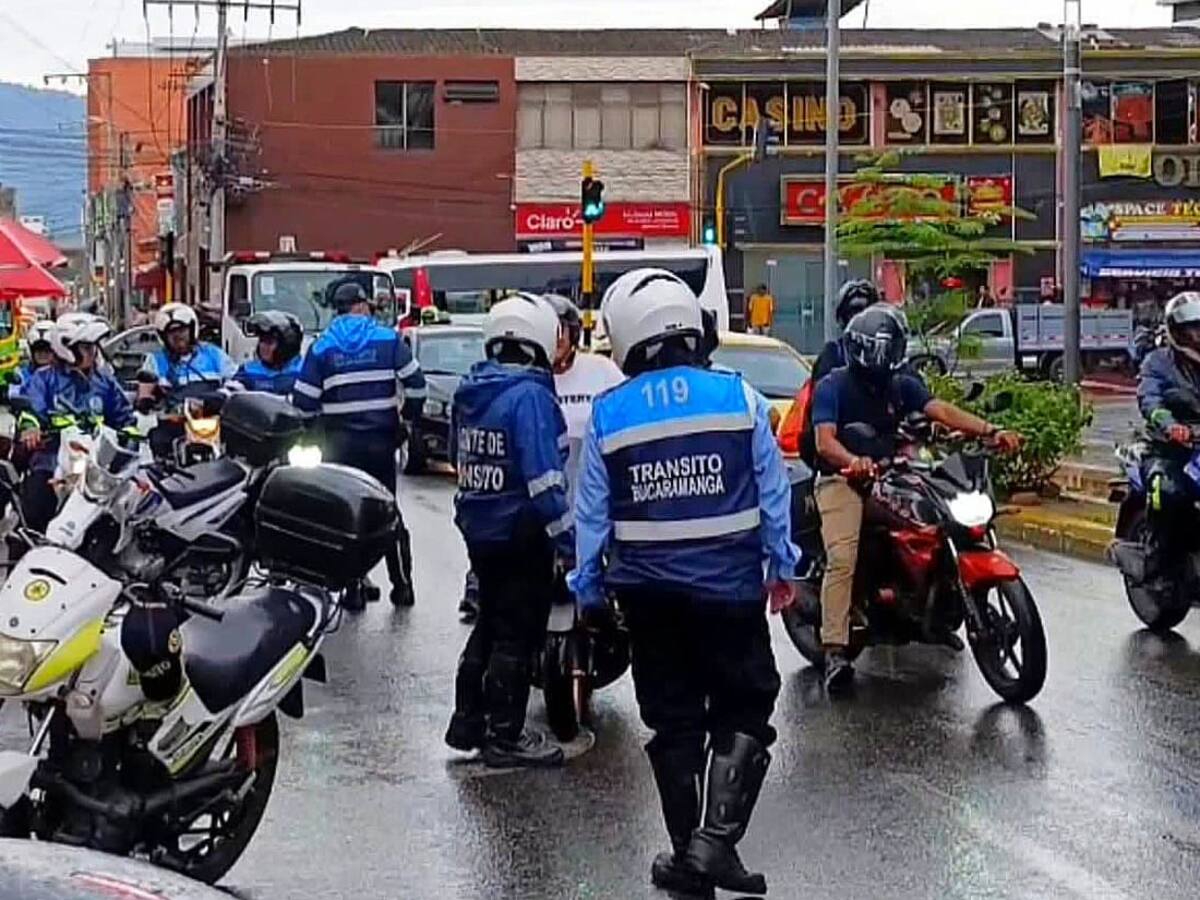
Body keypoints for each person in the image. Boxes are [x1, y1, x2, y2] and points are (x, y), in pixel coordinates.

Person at [570, 268, 798, 898]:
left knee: (674, 723)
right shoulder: (739, 397)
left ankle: (690, 857)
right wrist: (782, 568)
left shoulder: (610, 414)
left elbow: (592, 517)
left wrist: (588, 591)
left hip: (648, 598)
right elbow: (772, 493)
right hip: (729, 591)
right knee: (746, 706)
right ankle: (713, 845)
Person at [811, 304, 1020, 693]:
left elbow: (939, 409)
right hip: (844, 480)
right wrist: (852, 462)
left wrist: (991, 430)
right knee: (843, 557)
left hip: (895, 470)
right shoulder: (833, 386)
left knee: (941, 519)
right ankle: (835, 650)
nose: (886, 360)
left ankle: (936, 608)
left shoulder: (900, 383)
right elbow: (825, 441)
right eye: (880, 351)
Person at [444, 292, 572, 768]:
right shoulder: (531, 397)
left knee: (490, 623)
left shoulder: (471, 389)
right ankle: (505, 735)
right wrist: (570, 541)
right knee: (517, 634)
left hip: (479, 525)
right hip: (521, 531)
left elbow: (458, 453)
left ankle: (467, 719)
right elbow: (544, 482)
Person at [292, 282, 425, 609]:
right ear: (362, 306)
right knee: (388, 510)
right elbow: (417, 386)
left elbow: (304, 402)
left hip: (339, 446)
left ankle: (353, 589)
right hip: (380, 442)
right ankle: (402, 586)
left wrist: (314, 430)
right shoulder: (388, 339)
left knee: (346, 516)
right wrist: (406, 421)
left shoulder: (321, 347)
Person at [18, 318, 136, 532]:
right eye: (86, 347)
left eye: (93, 347)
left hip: (98, 462)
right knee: (35, 502)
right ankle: (29, 550)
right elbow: (30, 409)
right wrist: (31, 428)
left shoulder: (104, 380)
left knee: (129, 504)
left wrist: (130, 434)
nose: (92, 352)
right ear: (65, 348)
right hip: (52, 457)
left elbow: (124, 415)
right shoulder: (43, 379)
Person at [1136, 292, 1200, 574]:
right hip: (1166, 448)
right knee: (1168, 492)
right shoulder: (1157, 362)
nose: (1198, 336)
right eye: (1192, 329)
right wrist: (1169, 424)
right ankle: (1156, 559)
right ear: (1177, 331)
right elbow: (1150, 399)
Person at [138, 303, 236, 459]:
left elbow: (235, 382)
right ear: (163, 337)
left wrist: (218, 398)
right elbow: (145, 391)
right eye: (172, 333)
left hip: (213, 420)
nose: (178, 336)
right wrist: (146, 401)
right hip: (176, 423)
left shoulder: (214, 354)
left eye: (182, 330)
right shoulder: (156, 360)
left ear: (192, 329)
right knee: (157, 441)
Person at [231, 310, 304, 395]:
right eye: (261, 341)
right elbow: (232, 391)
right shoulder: (249, 370)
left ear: (287, 346)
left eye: (269, 342)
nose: (263, 346)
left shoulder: (304, 371)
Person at [8, 321, 56, 404]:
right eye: (38, 350)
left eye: (47, 351)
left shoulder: (63, 374)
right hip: (31, 414)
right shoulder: (21, 374)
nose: (43, 354)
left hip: (61, 415)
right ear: (31, 351)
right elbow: (13, 394)